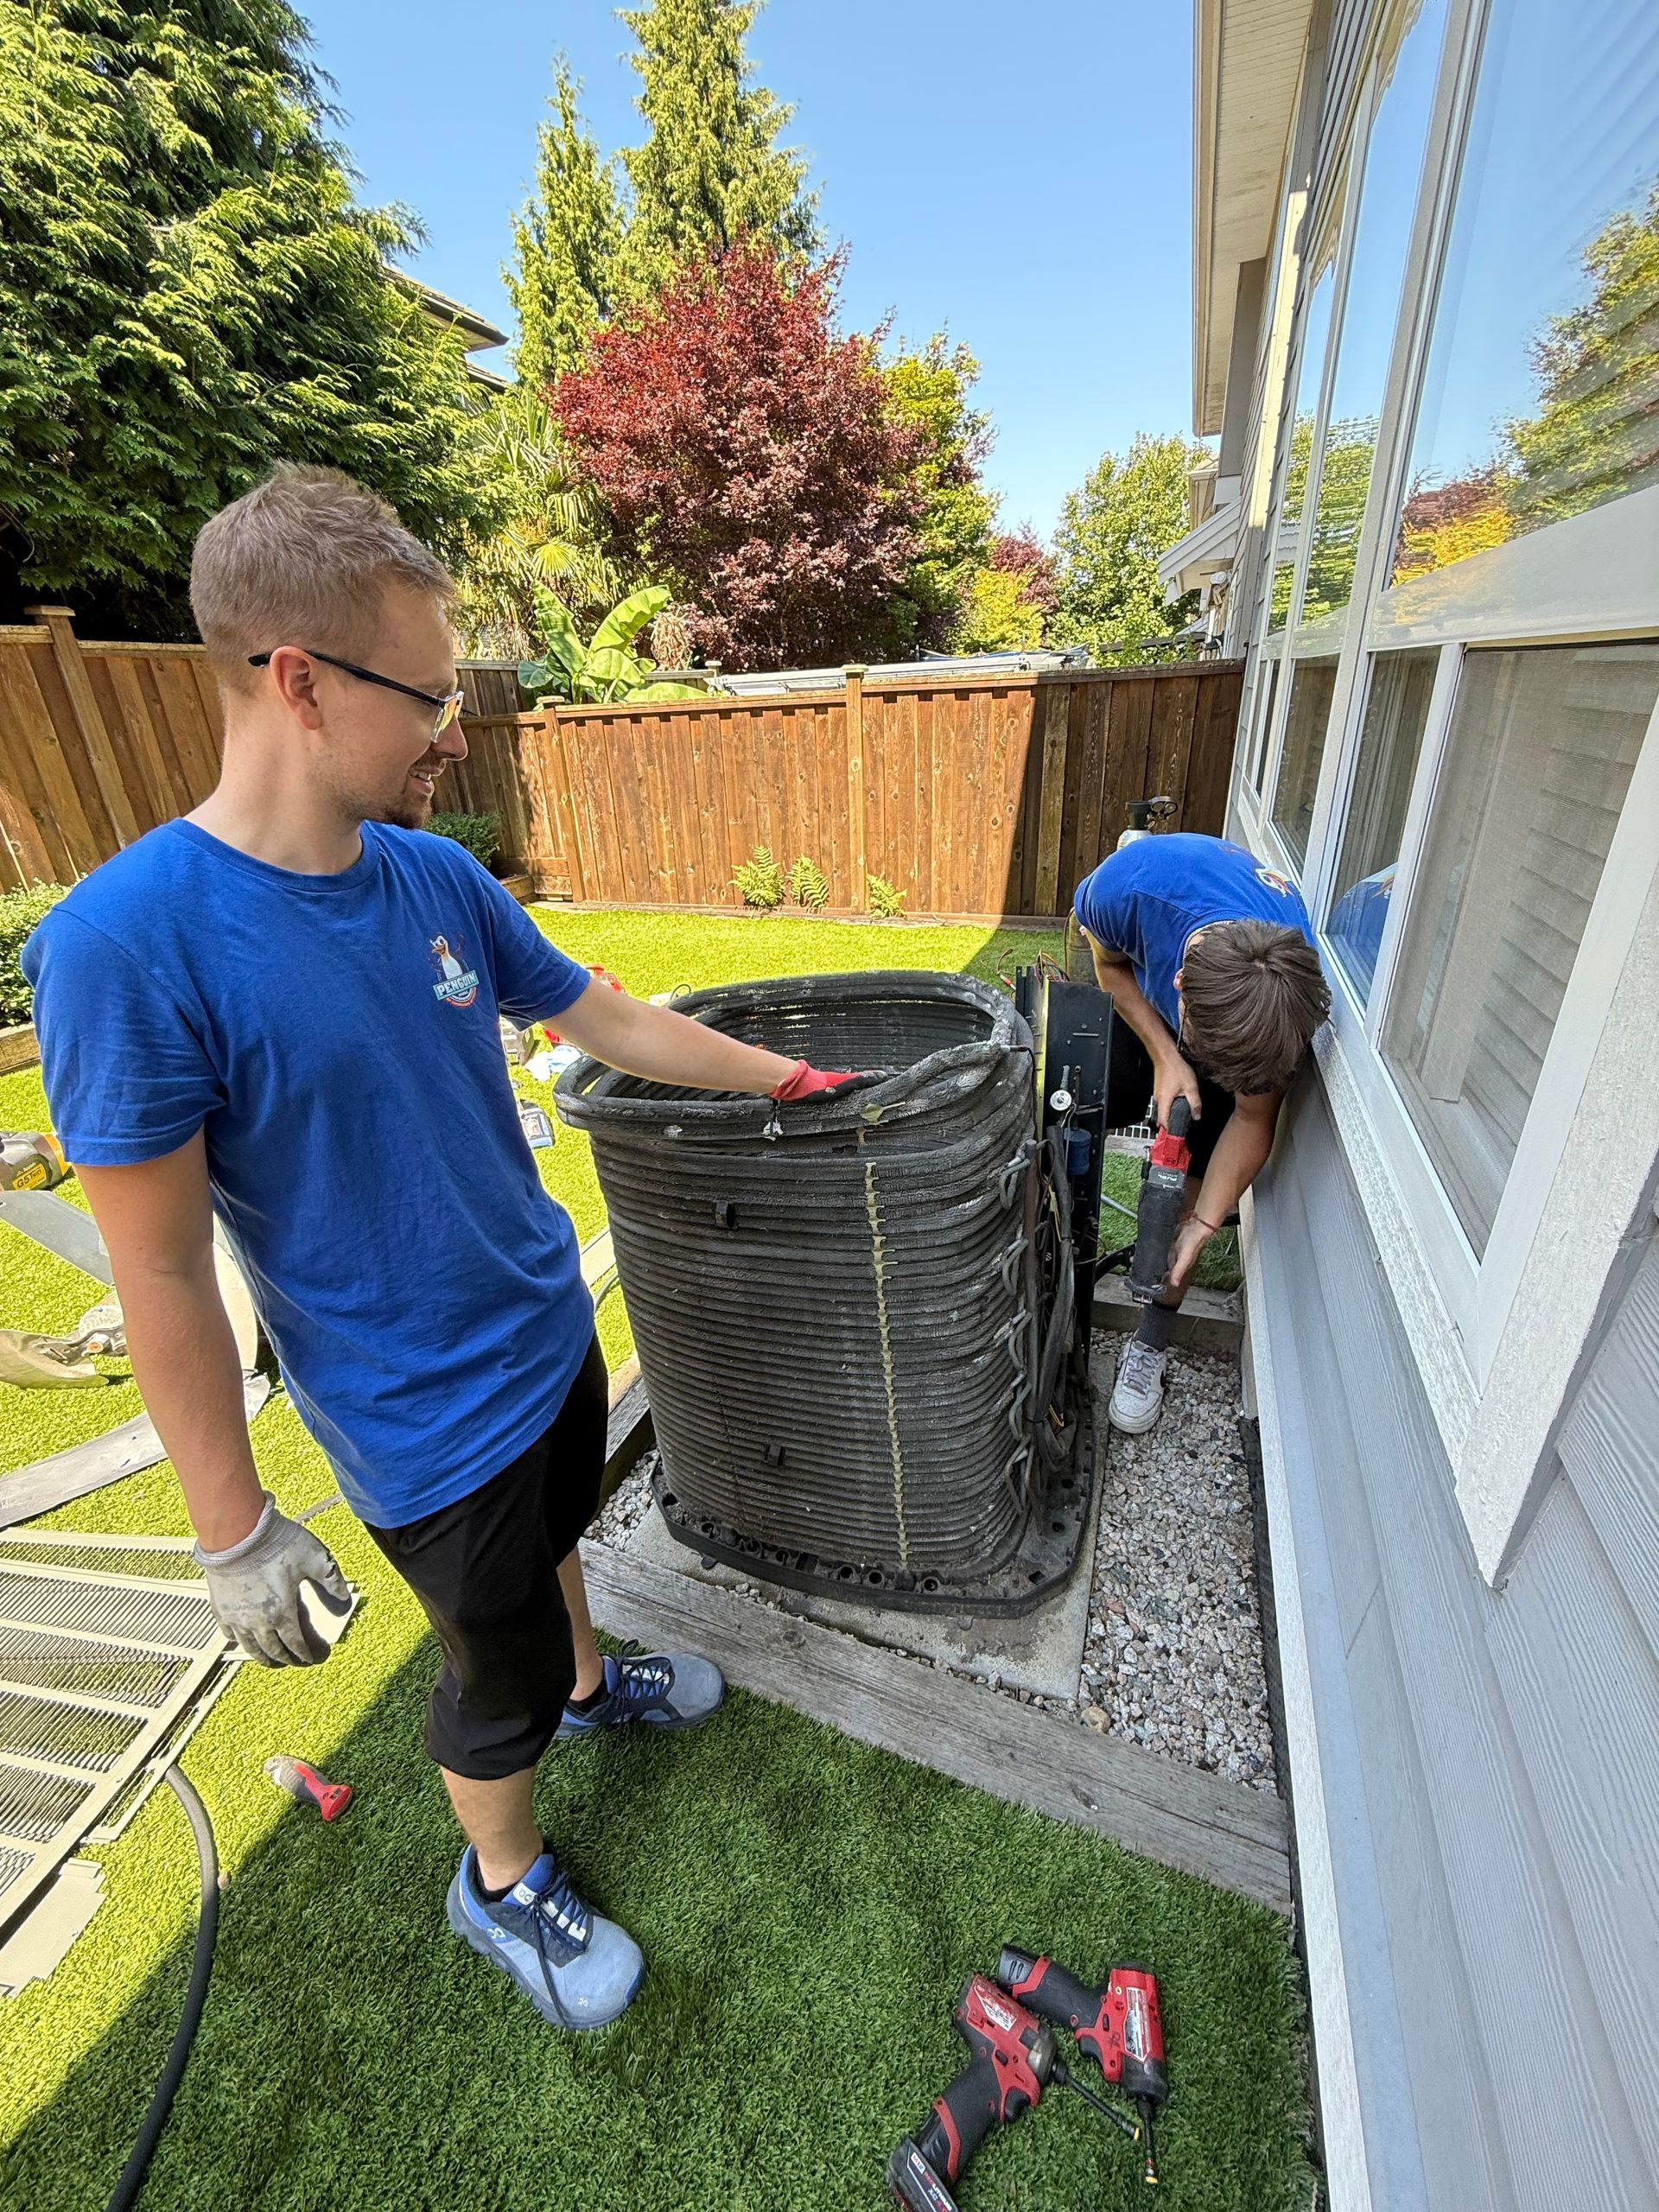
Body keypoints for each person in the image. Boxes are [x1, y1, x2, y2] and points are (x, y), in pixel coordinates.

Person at [22, 466, 858, 2033]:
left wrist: (778, 1074)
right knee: (494, 1668)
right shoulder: (125, 946)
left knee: (564, 1549)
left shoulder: (433, 875)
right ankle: (500, 1881)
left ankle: (598, 1692)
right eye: (427, 691)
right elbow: (154, 1271)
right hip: (415, 1410)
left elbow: (595, 1013)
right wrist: (229, 1530)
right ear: (297, 683)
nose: (451, 725)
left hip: (543, 1329)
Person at [1072, 831, 1330, 1433]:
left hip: (1231, 1004)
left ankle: (1150, 1344)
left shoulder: (1281, 995)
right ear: (1179, 982)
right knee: (1074, 1094)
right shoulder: (1128, 889)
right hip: (1158, 972)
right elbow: (1107, 961)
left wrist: (1203, 1225)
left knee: (1194, 1171)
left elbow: (1253, 1115)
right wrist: (1167, 1053)